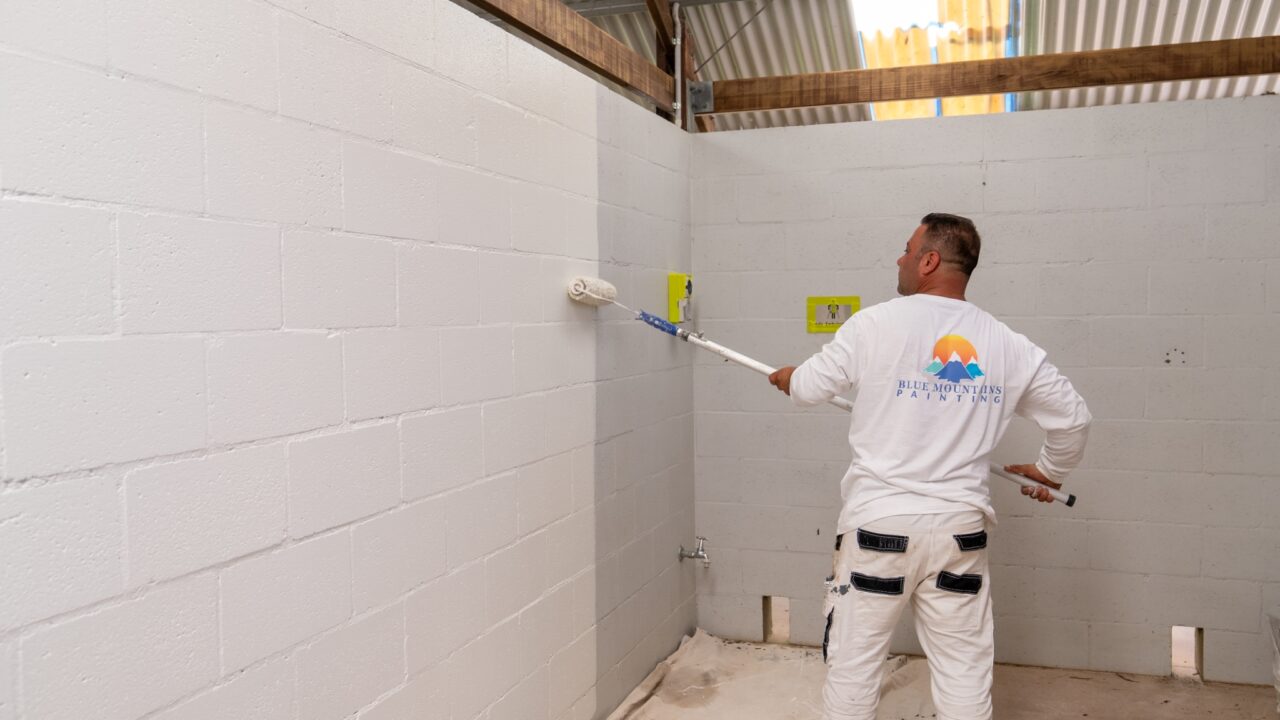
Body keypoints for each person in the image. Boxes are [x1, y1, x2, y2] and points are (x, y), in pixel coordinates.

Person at [767, 213, 1091, 720]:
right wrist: (1050, 471)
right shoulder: (1008, 345)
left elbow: (809, 388)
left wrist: (789, 376)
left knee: (854, 671)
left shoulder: (876, 323)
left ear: (929, 260)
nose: (899, 258)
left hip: (880, 531)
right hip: (960, 537)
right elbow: (1073, 419)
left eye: (906, 248)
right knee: (964, 675)